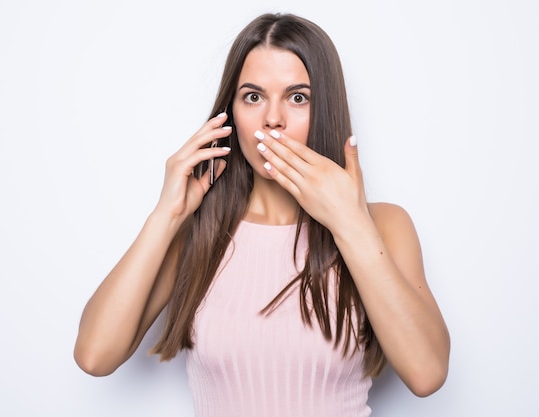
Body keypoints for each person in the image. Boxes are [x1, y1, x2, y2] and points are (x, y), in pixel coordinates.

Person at [74, 12, 450, 417]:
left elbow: (426, 374)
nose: (273, 119)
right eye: (253, 96)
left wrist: (349, 223)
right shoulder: (196, 233)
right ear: (230, 115)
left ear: (325, 109)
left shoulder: (384, 226)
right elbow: (95, 356)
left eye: (297, 97)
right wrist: (167, 214)